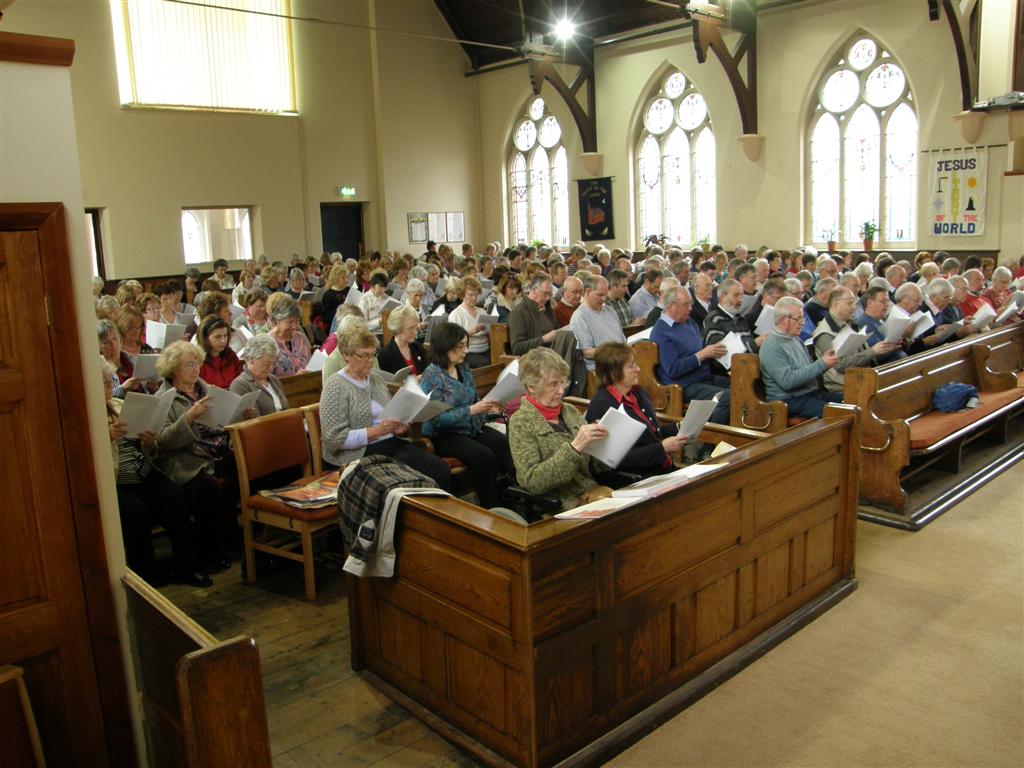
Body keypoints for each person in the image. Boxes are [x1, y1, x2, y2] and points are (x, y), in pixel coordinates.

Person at [102, 359, 211, 587]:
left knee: (173, 495)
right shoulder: (88, 415)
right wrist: (107, 436)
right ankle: (145, 577)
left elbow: (147, 448)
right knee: (136, 511)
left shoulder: (120, 404)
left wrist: (149, 442)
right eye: (103, 383)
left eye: (108, 382)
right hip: (114, 479)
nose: (108, 388)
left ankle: (186, 567)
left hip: (140, 469)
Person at [318, 327, 452, 489]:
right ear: (346, 355)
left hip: (390, 444)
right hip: (356, 455)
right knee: (412, 482)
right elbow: (334, 440)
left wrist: (399, 426)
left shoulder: (375, 379)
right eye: (364, 355)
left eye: (373, 354)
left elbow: (389, 415)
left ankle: (435, 513)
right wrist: (379, 430)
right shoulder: (336, 386)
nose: (370, 360)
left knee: (441, 470)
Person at [152, 341, 242, 574]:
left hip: (216, 450)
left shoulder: (206, 389)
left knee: (244, 471)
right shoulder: (164, 398)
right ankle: (210, 554)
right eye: (189, 365)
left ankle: (236, 542)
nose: (196, 369)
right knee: (208, 489)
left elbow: (222, 424)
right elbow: (163, 441)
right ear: (173, 369)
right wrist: (188, 418)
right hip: (186, 460)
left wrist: (238, 412)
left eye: (197, 364)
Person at [418, 323, 512, 509]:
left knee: (503, 443)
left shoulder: (463, 368)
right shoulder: (432, 376)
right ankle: (492, 508)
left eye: (466, 345)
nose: (466, 350)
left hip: (471, 425)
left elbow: (474, 399)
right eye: (461, 346)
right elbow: (436, 419)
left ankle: (512, 494)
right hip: (444, 434)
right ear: (446, 346)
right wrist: (472, 410)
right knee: (483, 456)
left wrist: (489, 408)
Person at [508, 347, 611, 510]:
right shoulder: (521, 422)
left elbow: (595, 467)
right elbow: (533, 482)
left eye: (563, 382)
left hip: (593, 492)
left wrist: (602, 443)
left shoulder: (569, 410)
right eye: (553, 384)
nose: (561, 391)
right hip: (560, 502)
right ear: (532, 387)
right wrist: (575, 448)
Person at [584, 343, 687, 476]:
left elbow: (651, 434)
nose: (638, 369)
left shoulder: (637, 392)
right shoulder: (603, 404)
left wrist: (679, 427)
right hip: (635, 478)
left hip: (660, 469)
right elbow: (616, 459)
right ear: (614, 374)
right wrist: (662, 448)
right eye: (631, 366)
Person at [649, 286, 731, 424]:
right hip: (684, 385)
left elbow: (701, 346)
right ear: (671, 306)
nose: (691, 308)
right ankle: (708, 442)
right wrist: (701, 355)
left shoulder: (688, 322)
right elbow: (672, 369)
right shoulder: (661, 332)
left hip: (704, 377)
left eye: (691, 303)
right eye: (686, 305)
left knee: (743, 389)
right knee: (728, 397)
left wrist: (715, 350)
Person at [759, 297, 843, 418]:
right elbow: (787, 382)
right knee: (838, 413)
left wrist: (826, 362)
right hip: (788, 401)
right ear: (784, 320)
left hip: (809, 394)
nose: (803, 323)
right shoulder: (771, 346)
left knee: (851, 402)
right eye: (798, 319)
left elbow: (809, 370)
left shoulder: (796, 340)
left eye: (802, 318)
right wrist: (822, 364)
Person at [811, 288, 897, 392]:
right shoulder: (825, 333)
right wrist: (873, 351)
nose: (854, 307)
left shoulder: (850, 323)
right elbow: (839, 365)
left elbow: (864, 354)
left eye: (854, 303)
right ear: (835, 304)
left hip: (865, 378)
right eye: (849, 303)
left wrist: (884, 349)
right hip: (845, 387)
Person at [702, 278, 761, 375]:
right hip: (730, 374)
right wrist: (754, 343)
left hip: (748, 367)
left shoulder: (741, 319)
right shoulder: (713, 319)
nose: (740, 300)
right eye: (736, 295)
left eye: (742, 295)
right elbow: (722, 357)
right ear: (723, 297)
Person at [568, 274, 626, 370]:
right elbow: (587, 352)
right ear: (587, 292)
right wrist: (614, 353)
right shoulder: (580, 317)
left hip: (620, 362)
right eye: (600, 295)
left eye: (605, 295)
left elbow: (622, 340)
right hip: (600, 368)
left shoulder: (610, 311)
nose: (603, 299)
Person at [230, 334, 290, 416]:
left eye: (273, 364)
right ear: (252, 360)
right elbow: (253, 420)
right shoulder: (240, 384)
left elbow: (287, 409)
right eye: (266, 364)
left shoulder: (274, 380)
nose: (271, 368)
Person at [446, 277, 491, 368]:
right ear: (462, 295)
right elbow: (453, 341)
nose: (474, 298)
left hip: (486, 349)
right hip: (468, 352)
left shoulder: (482, 312)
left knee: (500, 361)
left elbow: (490, 333)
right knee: (485, 364)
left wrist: (490, 329)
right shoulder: (455, 314)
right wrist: (469, 332)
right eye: (470, 295)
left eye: (476, 294)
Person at [267, 294, 311, 377]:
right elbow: (266, 377)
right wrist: (294, 377)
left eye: (297, 321)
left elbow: (310, 364)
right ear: (277, 320)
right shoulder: (267, 343)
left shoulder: (301, 338)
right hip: (282, 388)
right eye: (290, 322)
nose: (295, 326)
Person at [859, 285, 906, 364]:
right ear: (870, 302)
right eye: (882, 301)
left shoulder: (881, 320)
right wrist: (892, 347)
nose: (887, 304)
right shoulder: (864, 323)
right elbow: (876, 355)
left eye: (887, 301)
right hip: (887, 368)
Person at [196, 314, 244, 388]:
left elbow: (241, 379)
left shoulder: (230, 354)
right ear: (205, 338)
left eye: (225, 335)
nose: (223, 341)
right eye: (217, 337)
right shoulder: (197, 360)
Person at [98, 319, 143, 397]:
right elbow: (102, 398)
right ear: (98, 347)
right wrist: (122, 389)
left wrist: (151, 387)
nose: (113, 344)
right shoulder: (101, 369)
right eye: (106, 342)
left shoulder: (129, 358)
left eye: (115, 338)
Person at [378, 305, 428, 375]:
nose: (415, 332)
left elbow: (428, 371)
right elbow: (389, 384)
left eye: (416, 328)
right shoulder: (385, 355)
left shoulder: (417, 347)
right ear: (398, 329)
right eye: (410, 328)